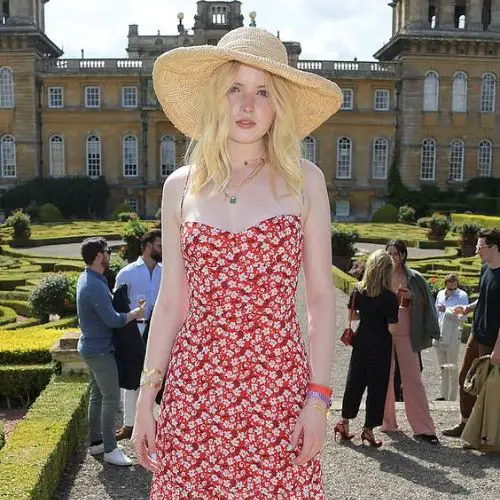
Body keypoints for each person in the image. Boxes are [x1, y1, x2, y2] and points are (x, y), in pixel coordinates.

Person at [131, 26, 343, 497]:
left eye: (262, 91)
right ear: (216, 97)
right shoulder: (179, 187)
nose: (247, 105)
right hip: (194, 391)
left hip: (276, 393)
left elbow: (321, 299)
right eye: (235, 88)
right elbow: (170, 303)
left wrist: (318, 399)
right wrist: (148, 396)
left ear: (278, 105)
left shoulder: (305, 181)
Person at [76, 237, 145, 466]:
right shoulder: (94, 285)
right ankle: (110, 449)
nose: (109, 255)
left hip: (92, 348)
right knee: (110, 399)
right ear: (98, 256)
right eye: (107, 251)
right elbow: (113, 320)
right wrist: (135, 313)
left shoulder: (90, 278)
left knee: (97, 396)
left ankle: (96, 442)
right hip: (100, 351)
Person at [334, 250, 399, 447]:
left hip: (361, 342)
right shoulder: (389, 297)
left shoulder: (358, 290)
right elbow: (392, 328)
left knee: (354, 381)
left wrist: (369, 314)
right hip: (380, 344)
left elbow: (353, 316)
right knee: (376, 387)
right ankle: (368, 429)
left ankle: (344, 422)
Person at [443, 228, 500, 438]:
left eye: (480, 246)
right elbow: (484, 297)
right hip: (477, 333)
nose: (477, 251)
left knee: (487, 389)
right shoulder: (486, 269)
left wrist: (497, 348)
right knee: (465, 378)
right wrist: (468, 308)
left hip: (492, 339)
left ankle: (484, 433)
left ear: (494, 247)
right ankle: (465, 424)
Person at [382, 239, 440, 444]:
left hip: (407, 334)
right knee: (384, 380)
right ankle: (387, 422)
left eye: (396, 254)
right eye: (389, 253)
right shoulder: (380, 276)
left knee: (413, 381)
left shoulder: (414, 278)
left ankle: (424, 428)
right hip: (384, 334)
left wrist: (412, 297)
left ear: (403, 255)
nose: (392, 257)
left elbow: (428, 305)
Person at [114, 229, 162, 441]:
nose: (163, 249)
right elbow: (116, 306)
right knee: (132, 376)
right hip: (135, 329)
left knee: (158, 375)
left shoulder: (166, 272)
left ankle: (157, 423)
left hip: (158, 330)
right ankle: (129, 425)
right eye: (159, 245)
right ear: (148, 246)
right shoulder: (127, 273)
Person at [433, 274, 469, 401]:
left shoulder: (462, 296)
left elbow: (464, 316)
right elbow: (436, 314)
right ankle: (443, 395)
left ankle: (452, 397)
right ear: (445, 286)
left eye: (454, 288)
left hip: (453, 335)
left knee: (452, 367)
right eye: (449, 289)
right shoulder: (440, 294)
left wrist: (446, 309)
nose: (452, 291)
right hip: (440, 333)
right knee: (442, 366)